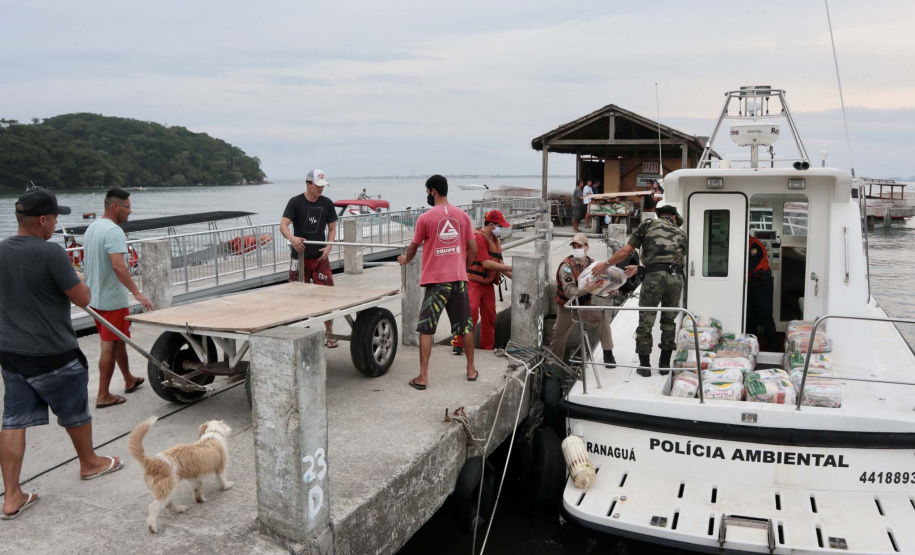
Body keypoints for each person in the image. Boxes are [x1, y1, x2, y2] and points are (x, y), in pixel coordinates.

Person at [1, 190, 124, 520]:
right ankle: (89, 463)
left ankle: (12, 495)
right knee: (74, 412)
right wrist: (79, 278)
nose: (56, 223)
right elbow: (84, 298)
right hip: (53, 351)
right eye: (54, 218)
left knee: (12, 421)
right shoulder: (50, 253)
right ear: (42, 220)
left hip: (12, 354)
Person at [397, 175, 477, 389]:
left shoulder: (425, 218)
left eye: (427, 191)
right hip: (458, 279)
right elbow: (473, 248)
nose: (427, 195)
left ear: (433, 191)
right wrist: (464, 268)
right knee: (465, 326)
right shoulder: (462, 216)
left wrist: (407, 259)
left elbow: (413, 246)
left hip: (436, 282)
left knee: (426, 328)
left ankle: (423, 377)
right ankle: (470, 370)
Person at [83, 188, 153, 409]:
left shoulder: (92, 227)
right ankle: (103, 394)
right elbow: (118, 266)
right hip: (112, 299)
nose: (130, 211)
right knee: (109, 346)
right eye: (128, 207)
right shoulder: (114, 231)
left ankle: (129, 379)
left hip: (94, 296)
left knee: (118, 339)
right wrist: (136, 292)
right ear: (116, 207)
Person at [606, 205, 688, 376]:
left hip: (654, 279)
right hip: (676, 279)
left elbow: (626, 251)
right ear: (674, 218)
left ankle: (645, 367)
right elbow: (673, 260)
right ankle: (664, 365)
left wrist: (606, 264)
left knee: (646, 321)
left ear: (661, 215)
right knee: (669, 321)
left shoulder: (648, 224)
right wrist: (642, 268)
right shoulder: (681, 234)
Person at [280, 169, 339, 346]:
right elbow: (283, 224)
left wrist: (329, 247)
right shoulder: (295, 202)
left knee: (326, 295)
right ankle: (300, 334)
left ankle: (329, 332)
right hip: (299, 257)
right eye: (318, 185)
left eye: (323, 186)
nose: (321, 189)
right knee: (296, 296)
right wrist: (291, 238)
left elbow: (332, 228)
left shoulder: (327, 203)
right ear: (308, 184)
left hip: (320, 257)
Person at [549, 234, 624, 367]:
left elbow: (599, 287)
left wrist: (610, 291)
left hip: (584, 305)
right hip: (568, 307)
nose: (576, 248)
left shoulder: (594, 265)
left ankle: (608, 354)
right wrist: (587, 290)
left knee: (603, 319)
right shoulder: (566, 267)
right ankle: (554, 367)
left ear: (587, 247)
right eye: (574, 246)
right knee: (558, 339)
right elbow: (569, 291)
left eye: (580, 246)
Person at [451, 210, 513, 354]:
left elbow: (500, 264)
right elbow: (486, 264)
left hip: (488, 284)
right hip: (473, 282)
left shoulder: (495, 240)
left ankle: (487, 347)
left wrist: (518, 276)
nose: (501, 229)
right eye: (500, 226)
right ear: (491, 225)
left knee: (490, 315)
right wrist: (511, 267)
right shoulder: (478, 238)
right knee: (471, 311)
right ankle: (459, 343)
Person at [746, 235, 777, 350]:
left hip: (762, 284)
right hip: (751, 283)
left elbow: (748, 265)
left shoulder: (755, 246)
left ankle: (774, 349)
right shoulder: (747, 245)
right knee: (750, 317)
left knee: (766, 317)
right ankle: (751, 347)